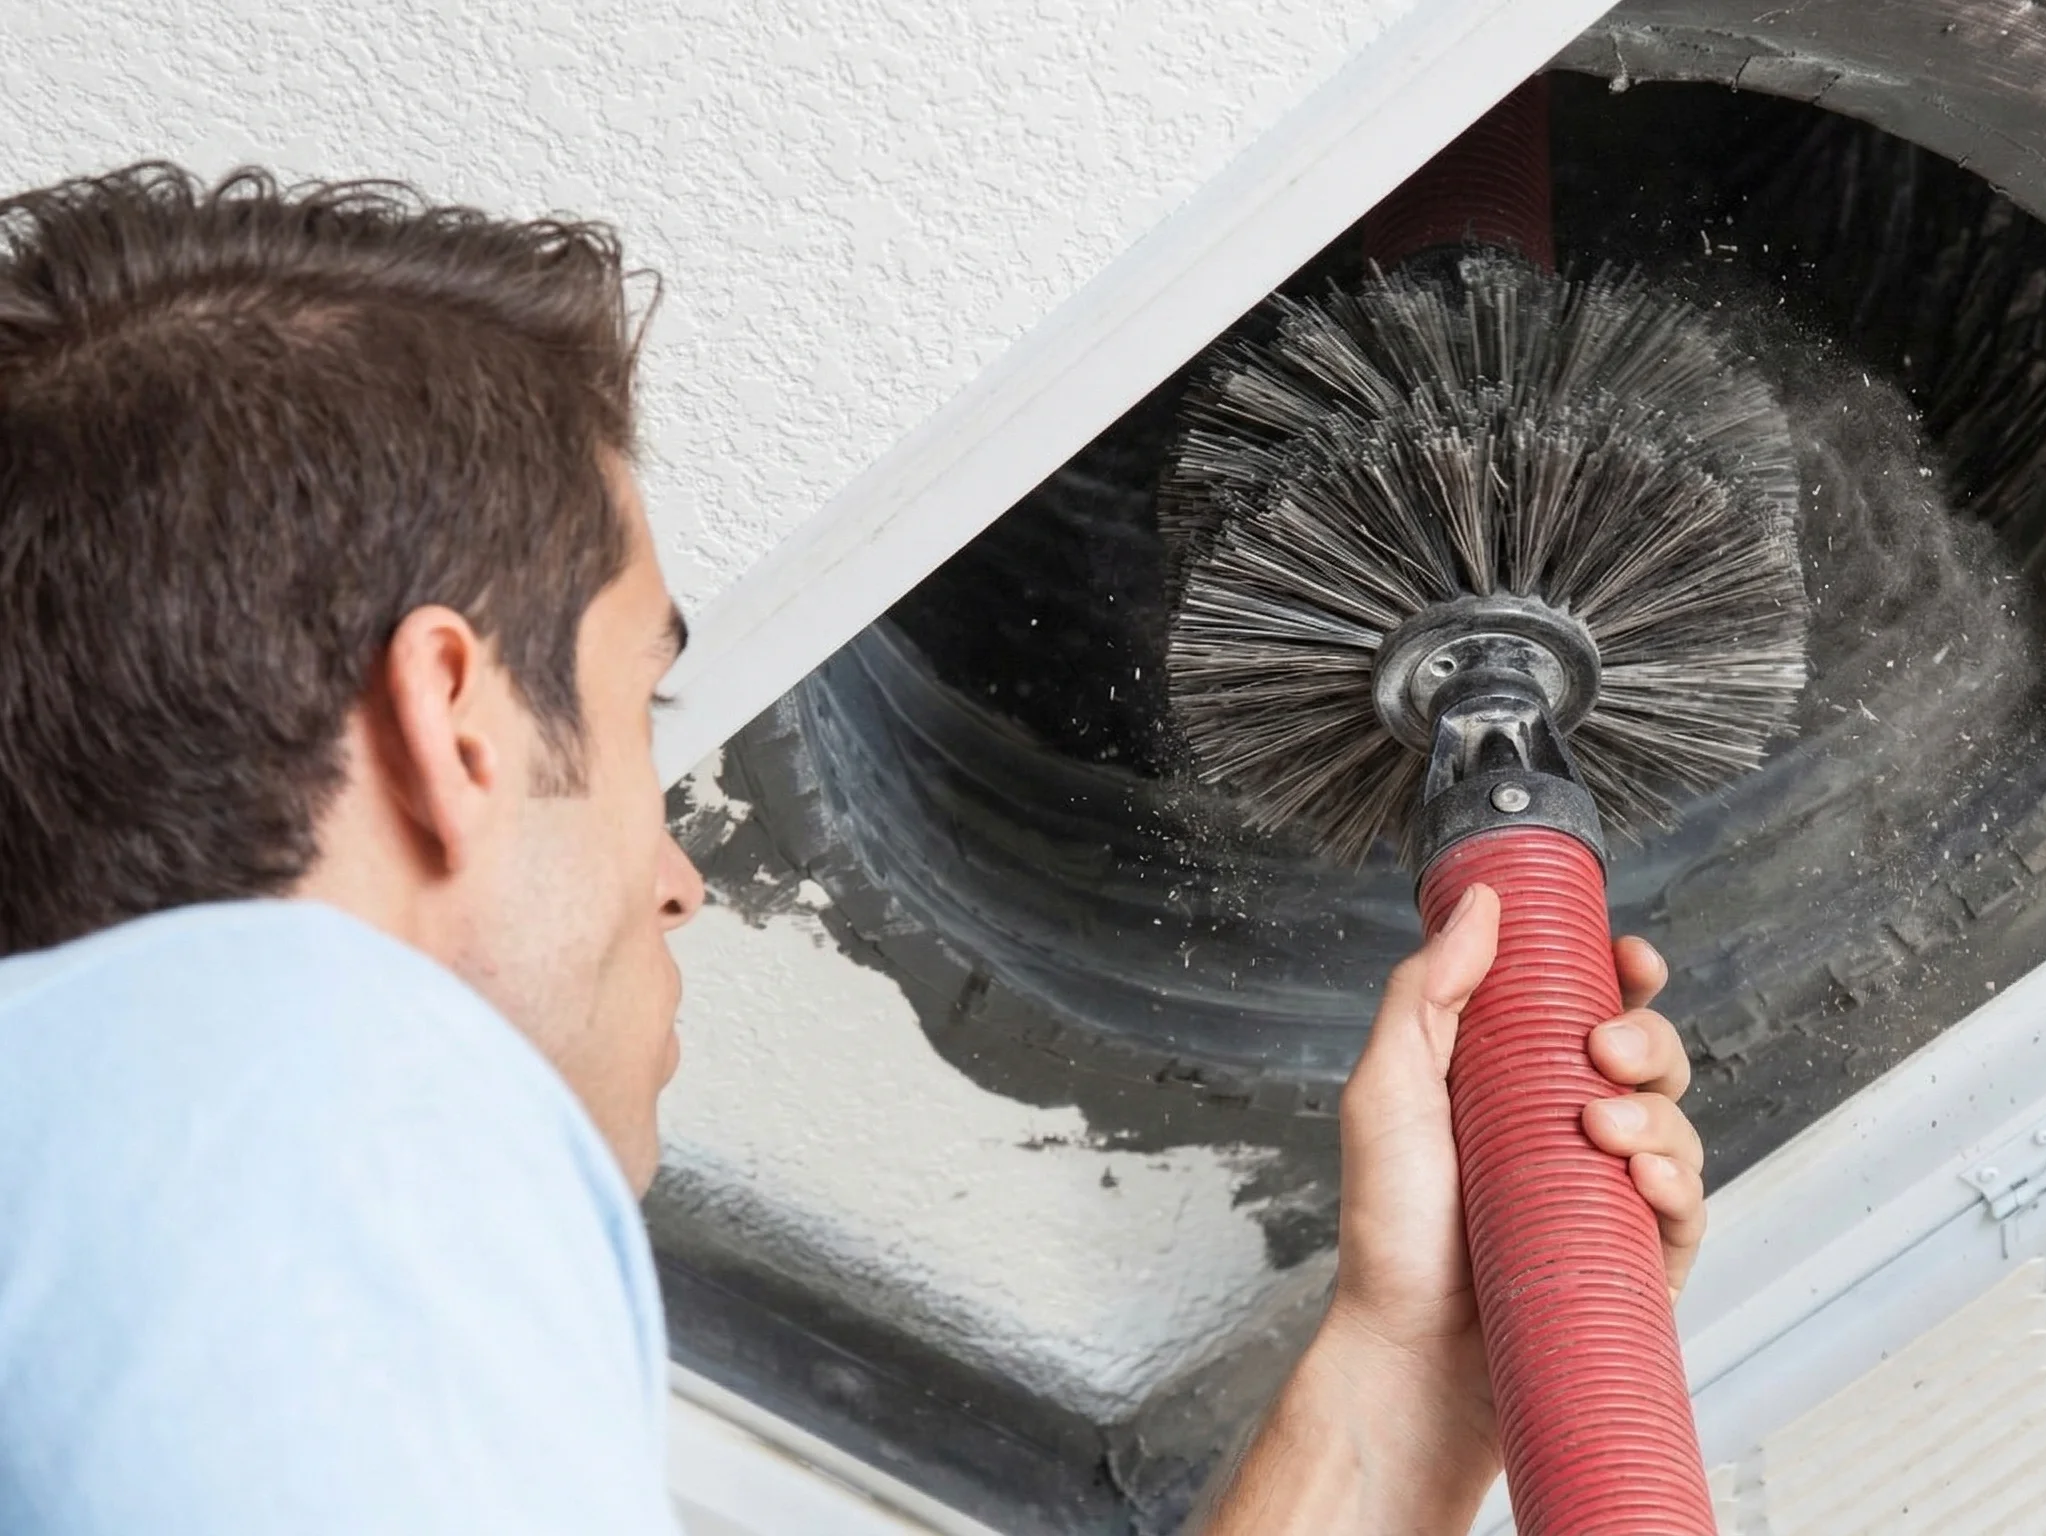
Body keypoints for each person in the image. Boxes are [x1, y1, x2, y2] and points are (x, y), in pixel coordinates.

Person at [0, 164, 1709, 1533]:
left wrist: (1407, 1378)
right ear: (457, 727)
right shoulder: (306, 1105)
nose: (676, 875)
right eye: (633, 722)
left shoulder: (115, 1206)